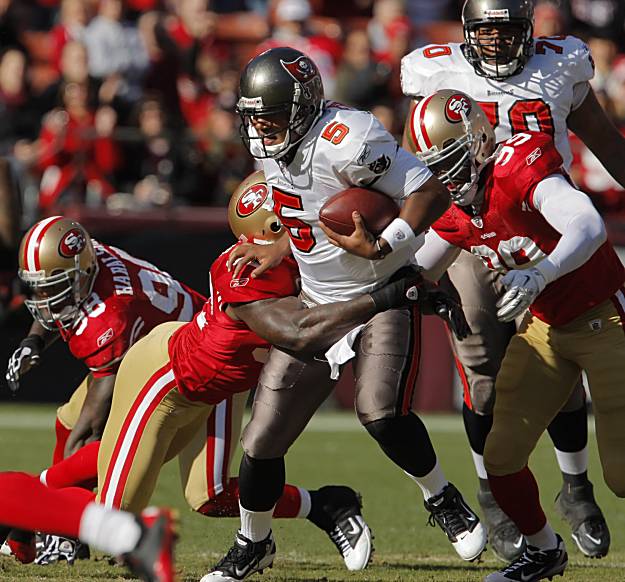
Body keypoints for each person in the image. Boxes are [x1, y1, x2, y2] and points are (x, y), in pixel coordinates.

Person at [206, 46, 486, 582]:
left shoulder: (348, 138)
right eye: (253, 117)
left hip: (382, 289)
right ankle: (253, 542)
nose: (260, 128)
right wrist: (280, 248)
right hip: (318, 298)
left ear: (303, 106)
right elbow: (305, 213)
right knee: (261, 439)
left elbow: (425, 190)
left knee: (379, 411)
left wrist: (386, 244)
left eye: (269, 115)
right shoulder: (274, 146)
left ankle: (441, 497)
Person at [400, 0, 625, 561]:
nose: (498, 43)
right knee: (481, 367)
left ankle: (576, 488)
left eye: (508, 31)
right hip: (469, 230)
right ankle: (493, 494)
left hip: (540, 222)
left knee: (560, 356)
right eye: (486, 31)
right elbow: (418, 166)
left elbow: (604, 139)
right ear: (468, 32)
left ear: (529, 29)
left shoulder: (561, 64)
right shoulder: (435, 70)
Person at [4, 215, 206, 563]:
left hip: (190, 368)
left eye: (50, 286)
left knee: (99, 453)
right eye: (38, 286)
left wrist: (39, 498)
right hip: (142, 348)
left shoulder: (108, 317)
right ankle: (58, 525)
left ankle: (66, 528)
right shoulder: (86, 260)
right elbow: (60, 298)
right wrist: (33, 340)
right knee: (67, 420)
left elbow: (90, 431)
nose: (41, 297)